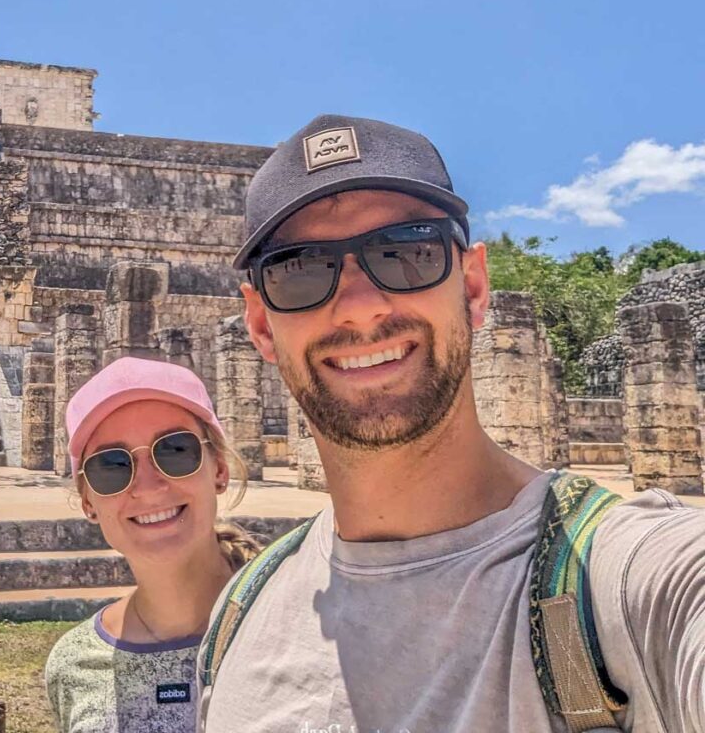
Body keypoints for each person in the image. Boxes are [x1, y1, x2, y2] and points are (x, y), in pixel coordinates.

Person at [196, 114, 705, 732]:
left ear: (473, 285)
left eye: (407, 251)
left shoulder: (639, 582)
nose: (360, 308)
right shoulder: (240, 615)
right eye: (299, 269)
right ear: (259, 325)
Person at [44, 356, 263, 733]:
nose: (147, 487)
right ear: (88, 502)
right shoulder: (75, 666)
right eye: (111, 465)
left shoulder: (294, 621)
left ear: (219, 470)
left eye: (175, 450)